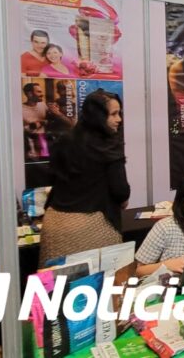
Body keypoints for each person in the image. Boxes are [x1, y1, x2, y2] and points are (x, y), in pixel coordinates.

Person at [39, 90, 129, 265]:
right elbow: (120, 191)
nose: (119, 119)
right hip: (91, 227)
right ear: (98, 116)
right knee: (98, 279)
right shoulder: (108, 146)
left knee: (54, 281)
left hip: (54, 223)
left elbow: (52, 177)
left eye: (119, 113)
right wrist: (122, 200)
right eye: (113, 114)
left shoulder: (64, 140)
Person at [22, 83, 48, 160]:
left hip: (45, 144)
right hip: (30, 145)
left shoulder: (43, 105)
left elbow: (49, 121)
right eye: (39, 92)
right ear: (30, 94)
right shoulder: (20, 109)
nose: (42, 94)